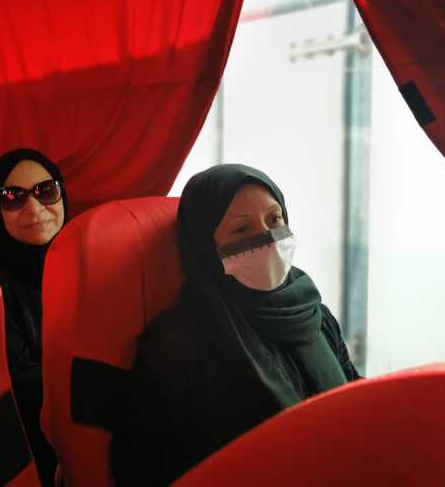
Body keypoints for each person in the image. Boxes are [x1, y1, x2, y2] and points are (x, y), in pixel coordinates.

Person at [112, 164, 360, 486]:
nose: (268, 237)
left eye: (275, 219)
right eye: (241, 230)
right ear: (204, 246)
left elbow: (355, 400)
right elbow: (145, 467)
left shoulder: (315, 313)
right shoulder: (176, 345)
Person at [0, 148, 67, 486]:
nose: (34, 209)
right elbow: (24, 386)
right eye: (13, 197)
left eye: (45, 191)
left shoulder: (92, 262)